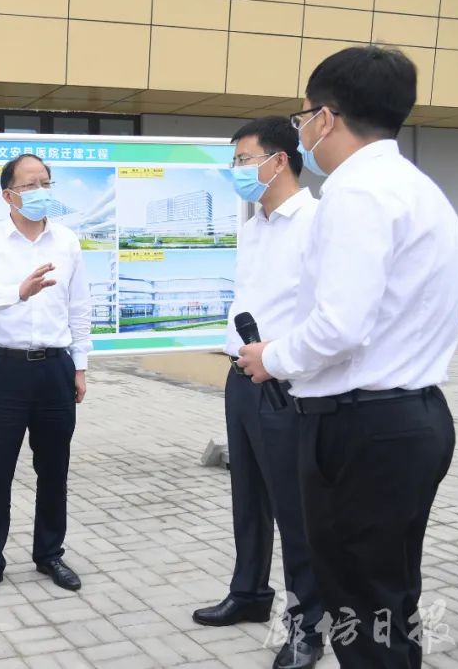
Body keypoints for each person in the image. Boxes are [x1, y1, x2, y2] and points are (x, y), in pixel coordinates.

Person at [238, 46, 458, 668]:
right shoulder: (418, 189)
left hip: (361, 429)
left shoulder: (356, 193)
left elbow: (339, 326)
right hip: (407, 419)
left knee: (360, 607)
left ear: (326, 117)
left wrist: (272, 357)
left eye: (303, 116)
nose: (303, 130)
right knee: (385, 597)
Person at [192, 116, 323, 669]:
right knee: (247, 496)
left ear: (280, 159)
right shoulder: (253, 226)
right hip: (241, 378)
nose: (237, 171)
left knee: (295, 509)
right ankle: (249, 593)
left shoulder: (318, 223)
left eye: (244, 160)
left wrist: (278, 359)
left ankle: (308, 624)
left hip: (287, 384)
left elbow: (326, 315)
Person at [0, 153, 90, 599]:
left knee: (54, 469)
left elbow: (79, 309)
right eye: (30, 185)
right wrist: (18, 291)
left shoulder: (66, 241)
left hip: (55, 368)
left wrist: (80, 366)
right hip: (2, 369)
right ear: (8, 195)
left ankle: (50, 554)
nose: (40, 192)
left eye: (46, 183)